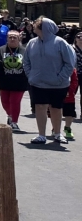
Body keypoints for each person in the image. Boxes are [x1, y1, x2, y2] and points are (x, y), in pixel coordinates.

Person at [23, 16, 76, 145]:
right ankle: (41, 135)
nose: (33, 25)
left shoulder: (60, 43)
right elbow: (26, 62)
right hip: (38, 83)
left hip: (58, 84)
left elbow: (70, 63)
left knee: (56, 108)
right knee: (40, 107)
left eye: (36, 24)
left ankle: (57, 134)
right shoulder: (32, 42)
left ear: (44, 28)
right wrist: (31, 76)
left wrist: (60, 78)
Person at [0, 29, 29, 131]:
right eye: (10, 37)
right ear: (7, 39)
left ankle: (14, 122)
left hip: (20, 81)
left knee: (15, 101)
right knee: (5, 102)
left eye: (15, 37)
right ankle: (10, 115)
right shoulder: (0, 50)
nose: (12, 39)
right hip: (4, 81)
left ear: (19, 39)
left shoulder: (25, 51)